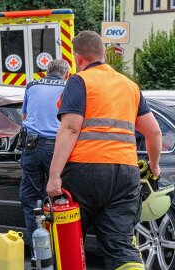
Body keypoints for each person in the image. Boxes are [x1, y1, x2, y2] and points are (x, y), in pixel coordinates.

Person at [46, 31, 162, 270]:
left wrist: (54, 175)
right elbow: (154, 132)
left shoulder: (79, 81)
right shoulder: (130, 86)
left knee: (70, 244)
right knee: (121, 246)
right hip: (126, 174)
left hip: (84, 172)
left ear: (79, 59)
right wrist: (154, 166)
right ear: (104, 54)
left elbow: (69, 129)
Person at [19, 59, 70, 258]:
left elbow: (24, 118)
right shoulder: (69, 86)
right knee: (60, 197)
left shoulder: (32, 85)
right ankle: (61, 250)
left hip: (31, 147)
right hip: (57, 148)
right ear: (66, 74)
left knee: (32, 200)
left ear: (46, 72)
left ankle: (38, 253)